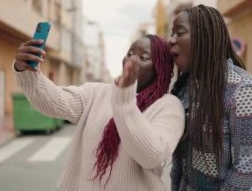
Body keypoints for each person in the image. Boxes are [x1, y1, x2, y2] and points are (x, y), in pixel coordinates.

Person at [13, 34, 185, 191]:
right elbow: (54, 102)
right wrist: (27, 71)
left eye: (143, 57)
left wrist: (124, 101)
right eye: (130, 53)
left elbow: (151, 155)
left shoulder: (168, 106)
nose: (132, 60)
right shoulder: (97, 93)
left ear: (160, 68)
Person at [168, 4, 252, 190]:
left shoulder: (243, 89)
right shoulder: (184, 89)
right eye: (171, 33)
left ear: (204, 38)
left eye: (179, 33)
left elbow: (246, 169)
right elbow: (178, 165)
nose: (170, 40)